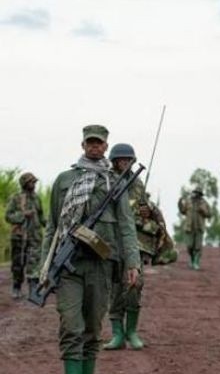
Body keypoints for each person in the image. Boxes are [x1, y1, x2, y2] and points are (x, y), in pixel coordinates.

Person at [41, 125, 140, 374]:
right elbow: (52, 226)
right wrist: (44, 266)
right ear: (83, 145)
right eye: (90, 142)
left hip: (101, 266)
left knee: (92, 331)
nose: (94, 146)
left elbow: (127, 227)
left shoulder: (114, 182)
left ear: (106, 146)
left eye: (99, 143)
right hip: (68, 267)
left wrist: (133, 263)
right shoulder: (65, 180)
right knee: (71, 327)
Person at [103, 143, 150, 351]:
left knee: (134, 285)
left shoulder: (137, 184)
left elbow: (143, 209)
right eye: (120, 160)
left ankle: (131, 331)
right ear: (113, 161)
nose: (124, 163)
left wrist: (145, 211)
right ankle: (117, 334)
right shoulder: (105, 180)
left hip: (134, 244)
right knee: (114, 290)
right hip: (111, 243)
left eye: (128, 160)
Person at [5, 172, 45, 299]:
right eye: (30, 182)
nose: (33, 184)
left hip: (35, 237)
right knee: (18, 263)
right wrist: (23, 215)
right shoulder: (16, 198)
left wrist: (51, 225)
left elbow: (41, 217)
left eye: (34, 182)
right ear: (24, 184)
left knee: (34, 262)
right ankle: (16, 287)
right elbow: (8, 216)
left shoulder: (36, 198)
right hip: (19, 237)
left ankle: (33, 289)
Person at [178, 186, 210, 270]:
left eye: (198, 193)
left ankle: (196, 262)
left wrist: (202, 210)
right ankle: (191, 260)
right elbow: (183, 211)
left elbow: (209, 214)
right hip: (189, 227)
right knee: (189, 246)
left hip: (199, 228)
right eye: (195, 192)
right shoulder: (188, 202)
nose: (196, 195)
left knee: (198, 247)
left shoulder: (204, 203)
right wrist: (180, 204)